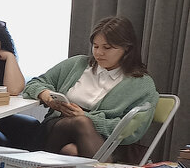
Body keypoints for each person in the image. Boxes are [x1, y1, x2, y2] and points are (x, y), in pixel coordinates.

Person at [22, 16, 158, 158]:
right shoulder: (77, 64)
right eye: (95, 46)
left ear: (127, 48)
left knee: (72, 150)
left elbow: (133, 130)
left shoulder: (142, 84)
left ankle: (98, 166)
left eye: (107, 48)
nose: (99, 53)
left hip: (105, 141)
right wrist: (47, 96)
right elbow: (34, 83)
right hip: (57, 131)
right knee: (80, 122)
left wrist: (87, 117)